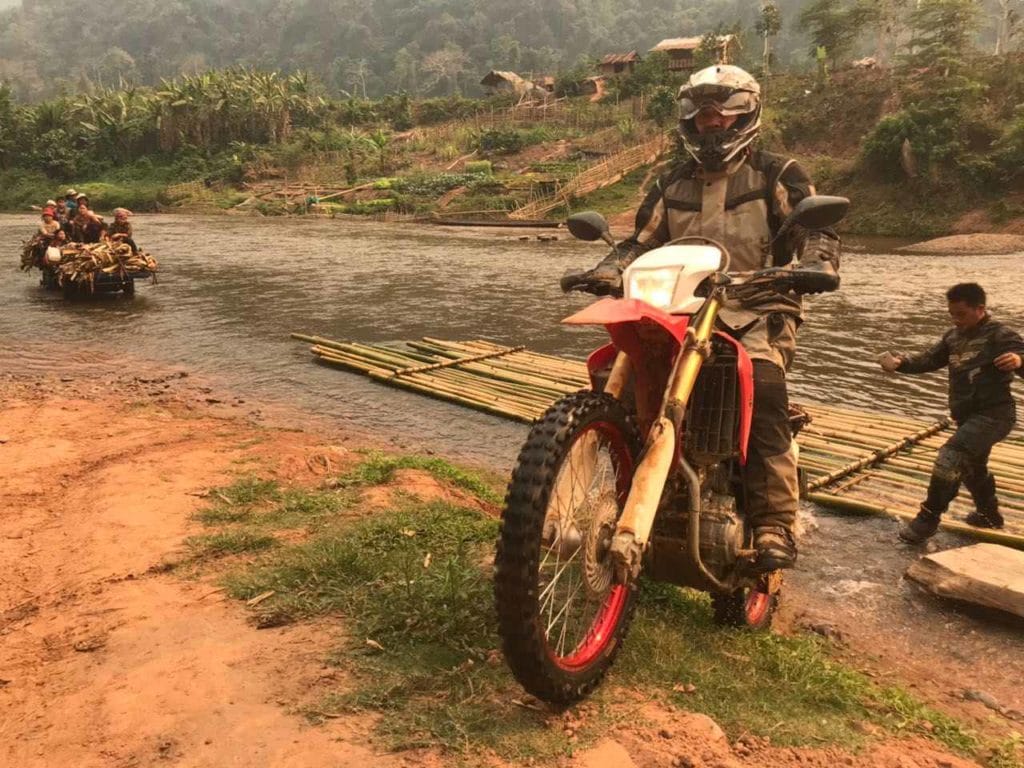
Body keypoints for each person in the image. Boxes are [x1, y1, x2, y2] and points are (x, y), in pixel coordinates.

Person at [580, 64, 842, 571]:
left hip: (756, 305)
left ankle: (773, 522)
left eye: (722, 113)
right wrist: (607, 267)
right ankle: (622, 485)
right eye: (701, 115)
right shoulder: (671, 181)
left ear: (746, 113)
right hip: (676, 303)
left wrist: (815, 264)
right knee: (610, 367)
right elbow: (640, 241)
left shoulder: (776, 173)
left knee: (763, 385)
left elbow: (816, 227)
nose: (711, 123)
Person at [879, 283, 1024, 542]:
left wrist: (1018, 361)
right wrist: (901, 363)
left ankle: (928, 517)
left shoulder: (1001, 335)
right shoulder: (952, 336)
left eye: (961, 314)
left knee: (950, 456)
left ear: (980, 309)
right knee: (972, 467)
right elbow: (929, 359)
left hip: (995, 415)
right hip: (967, 416)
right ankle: (990, 516)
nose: (956, 320)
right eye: (952, 315)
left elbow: (1022, 356)